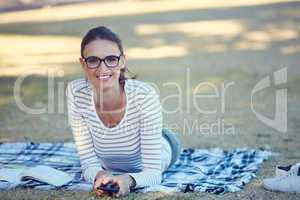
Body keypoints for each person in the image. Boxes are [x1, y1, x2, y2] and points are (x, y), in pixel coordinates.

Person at [66, 26, 181, 197]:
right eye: (93, 60)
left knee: (162, 138)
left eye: (111, 59)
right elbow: (89, 164)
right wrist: (101, 175)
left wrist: (128, 180)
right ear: (83, 63)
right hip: (112, 163)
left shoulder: (144, 95)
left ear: (122, 61)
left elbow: (153, 173)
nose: (102, 68)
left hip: (166, 144)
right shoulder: (76, 92)